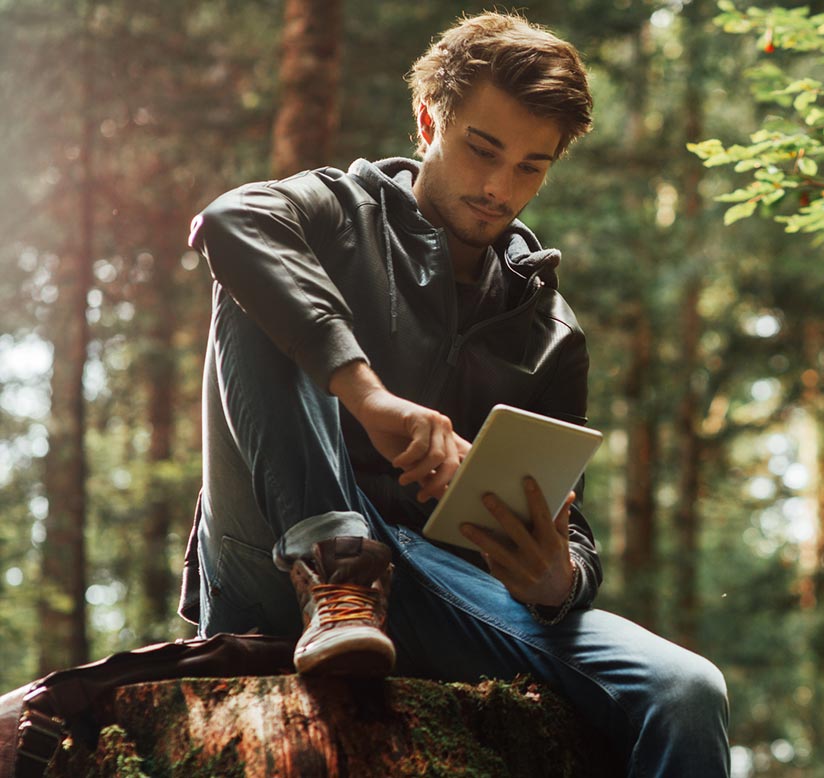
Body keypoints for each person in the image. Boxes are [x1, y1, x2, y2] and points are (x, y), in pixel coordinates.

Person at [177, 12, 730, 776]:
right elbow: (231, 221)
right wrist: (366, 396)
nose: (500, 188)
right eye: (483, 150)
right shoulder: (340, 212)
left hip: (435, 587)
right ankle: (337, 571)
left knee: (688, 688)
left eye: (532, 168)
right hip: (267, 553)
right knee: (253, 278)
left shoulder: (550, 332)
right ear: (429, 118)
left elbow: (572, 530)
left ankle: (366, 585)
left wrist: (556, 581)